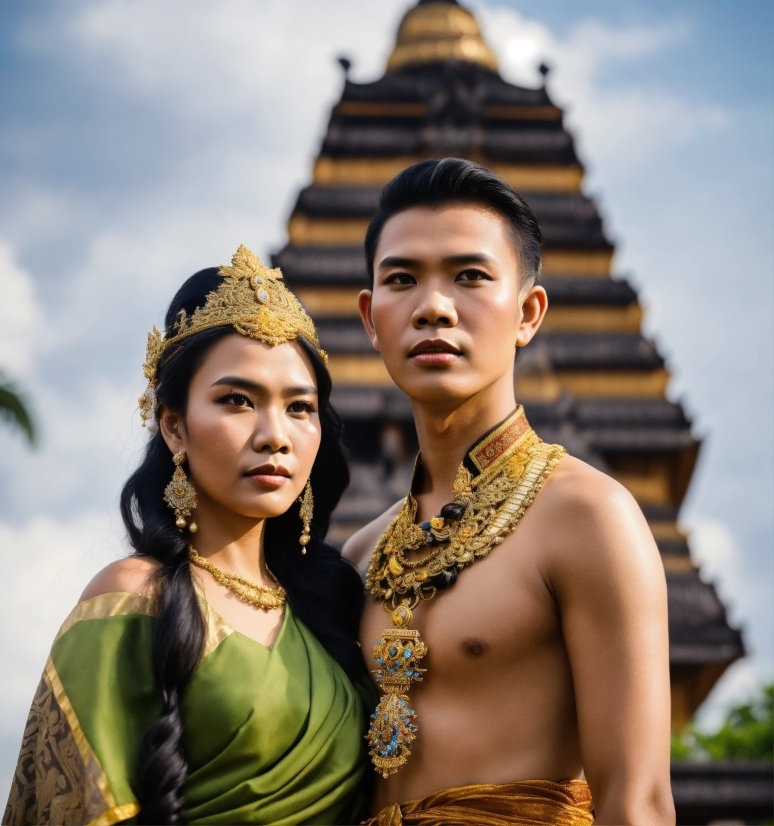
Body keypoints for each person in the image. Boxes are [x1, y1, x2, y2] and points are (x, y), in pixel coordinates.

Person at [344, 159, 676, 825]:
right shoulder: (360, 554)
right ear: (371, 318)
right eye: (402, 280)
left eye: (469, 276)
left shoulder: (587, 517)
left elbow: (637, 802)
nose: (434, 306)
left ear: (528, 313)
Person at [4, 245, 371, 826]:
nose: (276, 435)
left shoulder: (335, 608)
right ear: (174, 426)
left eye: (300, 408)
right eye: (237, 401)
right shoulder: (133, 598)